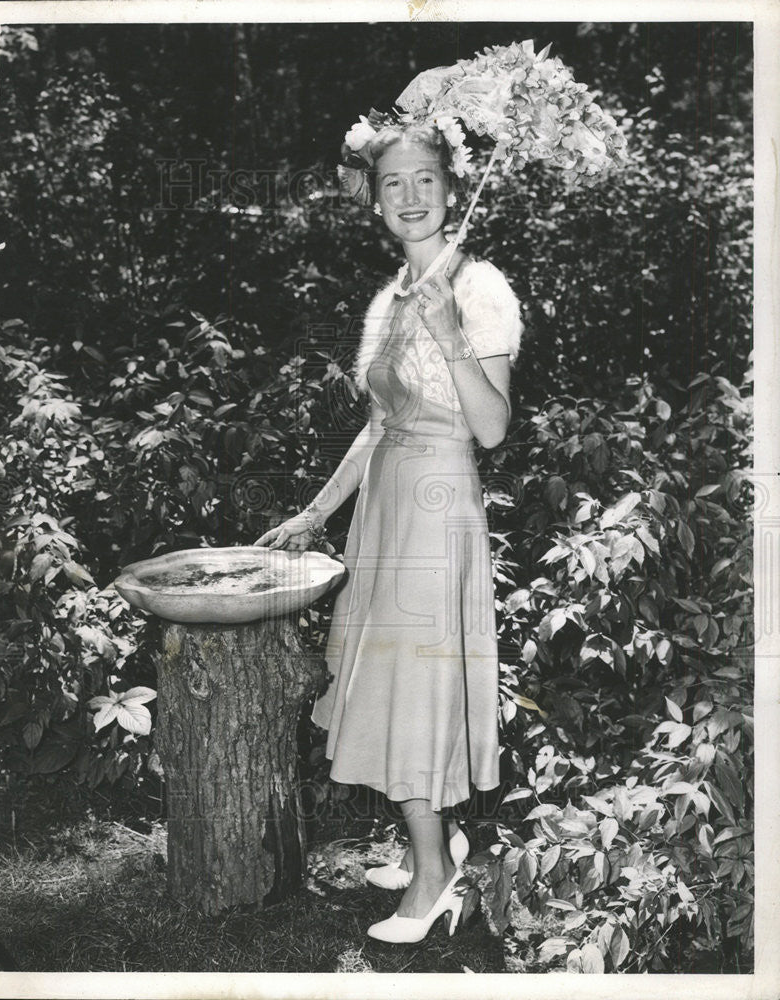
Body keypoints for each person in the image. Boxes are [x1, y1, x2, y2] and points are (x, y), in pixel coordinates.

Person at [254, 117, 522, 943]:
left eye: (426, 180)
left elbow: (492, 429)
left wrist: (451, 335)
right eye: (393, 182)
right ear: (374, 199)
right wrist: (314, 513)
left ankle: (436, 877)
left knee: (415, 690)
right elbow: (377, 426)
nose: (410, 197)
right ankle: (429, 847)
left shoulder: (477, 289)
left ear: (451, 187)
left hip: (438, 510)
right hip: (386, 507)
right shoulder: (392, 296)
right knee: (394, 683)